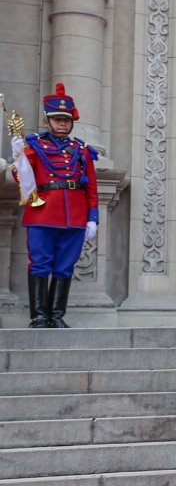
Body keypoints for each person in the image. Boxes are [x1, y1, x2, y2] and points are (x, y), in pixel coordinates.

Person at [15, 83, 99, 328]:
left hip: (75, 217)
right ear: (46, 121)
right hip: (43, 213)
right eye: (57, 119)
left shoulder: (81, 150)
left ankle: (57, 316)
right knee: (40, 264)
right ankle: (39, 317)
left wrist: (92, 218)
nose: (62, 124)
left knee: (64, 267)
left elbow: (91, 187)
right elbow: (23, 179)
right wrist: (19, 157)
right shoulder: (34, 146)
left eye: (66, 120)